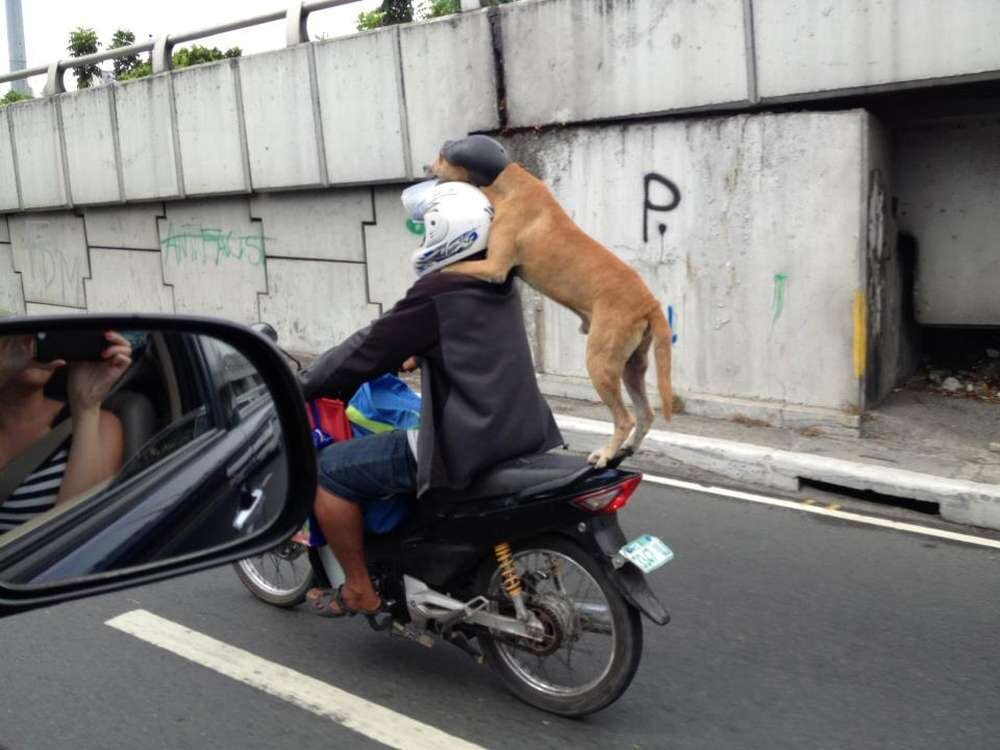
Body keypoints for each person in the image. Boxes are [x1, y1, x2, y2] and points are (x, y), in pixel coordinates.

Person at [299, 182, 563, 617]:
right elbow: (474, 341)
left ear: (443, 232)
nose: (422, 240)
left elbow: (366, 349)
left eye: (426, 230)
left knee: (330, 472)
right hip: (523, 426)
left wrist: (306, 382)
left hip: (466, 439)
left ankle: (361, 589)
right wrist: (422, 352)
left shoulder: (439, 291)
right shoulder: (501, 279)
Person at [0, 331, 133, 533]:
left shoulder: (98, 424)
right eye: (19, 331)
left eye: (45, 332)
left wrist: (86, 405)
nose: (32, 340)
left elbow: (78, 533)